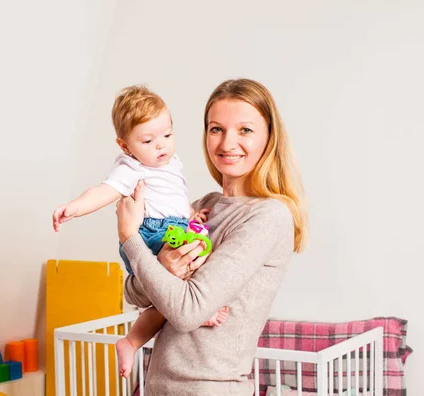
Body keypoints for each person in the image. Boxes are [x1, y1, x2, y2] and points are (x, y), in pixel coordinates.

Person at [116, 78, 308, 395]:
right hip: (161, 385)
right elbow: (134, 293)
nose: (226, 143)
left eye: (245, 130)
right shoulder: (202, 207)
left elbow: (188, 311)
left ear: (269, 138)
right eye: (216, 129)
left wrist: (129, 237)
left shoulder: (269, 216)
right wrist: (162, 268)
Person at [52, 85, 228, 378]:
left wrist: (189, 215)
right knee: (192, 264)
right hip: (150, 233)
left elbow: (173, 194)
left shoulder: (171, 162)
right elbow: (103, 191)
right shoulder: (131, 167)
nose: (161, 146)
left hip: (172, 225)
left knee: (166, 297)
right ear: (125, 146)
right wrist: (74, 207)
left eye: (168, 135)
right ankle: (201, 312)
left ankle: (131, 341)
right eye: (148, 140)